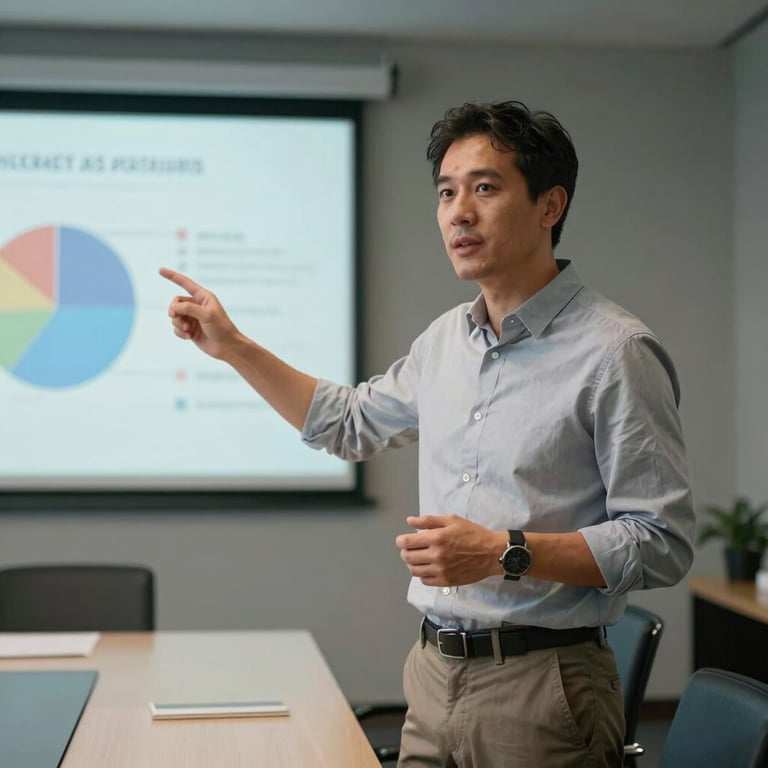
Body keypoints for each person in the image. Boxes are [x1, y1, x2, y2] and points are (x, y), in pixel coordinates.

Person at [160, 100, 695, 768]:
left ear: (549, 206)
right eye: (446, 192)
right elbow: (347, 423)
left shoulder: (616, 352)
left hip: (542, 690)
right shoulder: (447, 340)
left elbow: (662, 544)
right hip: (433, 672)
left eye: (485, 188)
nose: (458, 213)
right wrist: (234, 346)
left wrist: (505, 552)